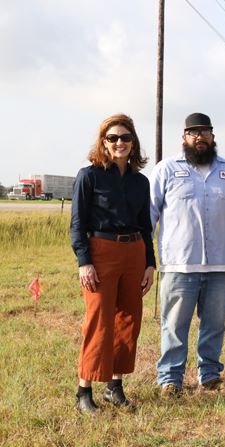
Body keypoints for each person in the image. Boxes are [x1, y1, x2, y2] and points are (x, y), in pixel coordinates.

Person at [149, 113, 225, 397]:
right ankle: (170, 379)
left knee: (214, 325)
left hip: (220, 265)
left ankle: (210, 376)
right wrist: (145, 255)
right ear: (184, 138)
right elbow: (149, 214)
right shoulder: (166, 170)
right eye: (193, 132)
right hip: (179, 264)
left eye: (205, 132)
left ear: (213, 137)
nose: (200, 137)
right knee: (174, 324)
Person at [70, 113, 155, 413]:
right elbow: (77, 224)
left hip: (135, 252)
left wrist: (149, 263)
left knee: (128, 320)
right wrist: (84, 262)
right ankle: (84, 392)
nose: (120, 142)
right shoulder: (89, 176)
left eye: (125, 137)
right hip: (101, 252)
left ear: (133, 143)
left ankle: (114, 387)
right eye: (113, 138)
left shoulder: (141, 182)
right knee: (99, 320)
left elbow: (146, 225)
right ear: (103, 143)